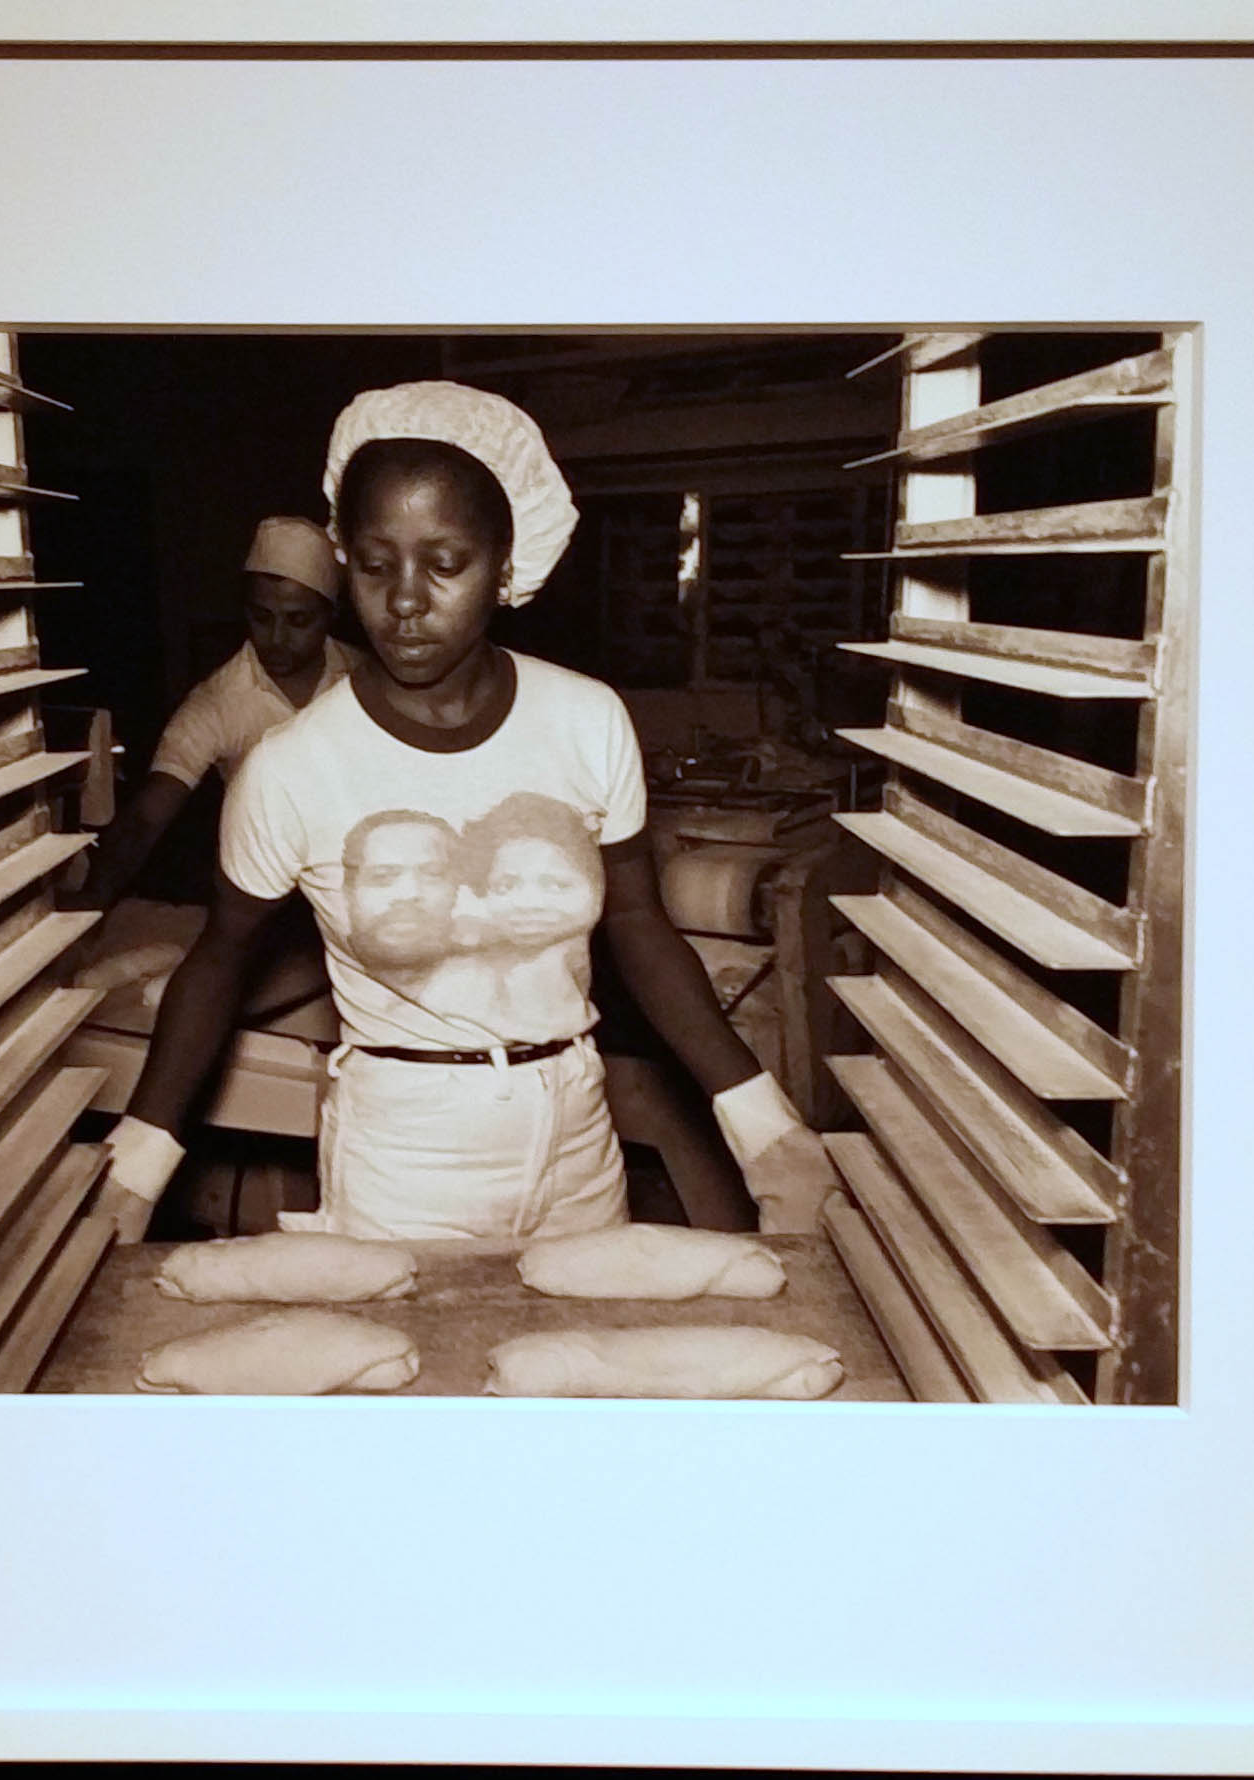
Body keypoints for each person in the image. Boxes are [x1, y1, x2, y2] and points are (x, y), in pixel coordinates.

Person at [91, 381, 836, 1245]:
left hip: (577, 1148)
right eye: (375, 566)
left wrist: (764, 1126)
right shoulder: (291, 767)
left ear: (505, 565)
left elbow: (639, 924)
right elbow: (220, 959)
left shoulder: (586, 720)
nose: (406, 600)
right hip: (402, 1164)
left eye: (445, 564)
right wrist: (139, 1160)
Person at [68, 515, 357, 913]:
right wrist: (94, 898)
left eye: (298, 620)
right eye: (261, 617)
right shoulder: (217, 701)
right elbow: (148, 816)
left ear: (332, 613)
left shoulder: (365, 676)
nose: (277, 638)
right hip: (271, 901)